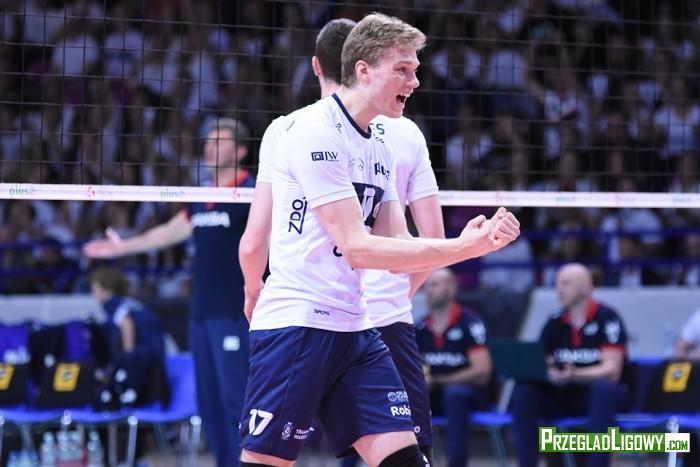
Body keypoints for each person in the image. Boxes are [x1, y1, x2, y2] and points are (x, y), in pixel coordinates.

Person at [237, 13, 520, 467]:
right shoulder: (313, 132)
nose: (416, 81)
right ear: (363, 70)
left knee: (407, 459)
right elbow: (358, 247)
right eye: (403, 70)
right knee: (267, 462)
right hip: (300, 323)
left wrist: (474, 239)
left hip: (355, 327)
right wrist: (464, 248)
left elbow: (398, 247)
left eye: (415, 69)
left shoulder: (379, 143)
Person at [83, 118, 254, 467]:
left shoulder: (253, 192)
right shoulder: (202, 196)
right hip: (200, 315)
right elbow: (167, 233)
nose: (209, 147)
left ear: (240, 151)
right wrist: (122, 247)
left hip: (235, 313)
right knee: (209, 403)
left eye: (219, 141)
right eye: (208, 140)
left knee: (236, 401)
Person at [512, 263, 629, 467]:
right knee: (524, 390)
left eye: (565, 283)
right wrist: (546, 368)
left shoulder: (607, 318)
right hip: (562, 394)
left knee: (603, 389)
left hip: (594, 396)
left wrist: (575, 374)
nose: (559, 289)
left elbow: (612, 370)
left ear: (585, 286)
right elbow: (542, 359)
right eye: (557, 283)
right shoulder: (555, 321)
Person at [415, 268, 493, 467]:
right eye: (426, 286)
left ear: (452, 288)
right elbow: (415, 367)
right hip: (433, 394)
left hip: (469, 395)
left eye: (434, 285)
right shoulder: (420, 327)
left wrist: (440, 380)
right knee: (406, 395)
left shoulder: (470, 322)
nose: (428, 290)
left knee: (454, 394)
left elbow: (482, 372)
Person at [89, 265, 166, 408]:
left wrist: (128, 355)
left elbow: (126, 324)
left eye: (95, 288)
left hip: (142, 352)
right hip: (158, 349)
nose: (92, 293)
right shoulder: (130, 301)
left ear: (106, 289)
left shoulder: (112, 303)